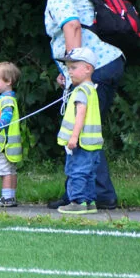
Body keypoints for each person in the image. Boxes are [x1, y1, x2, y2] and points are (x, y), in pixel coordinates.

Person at [34, 0, 124, 210]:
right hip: (103, 65)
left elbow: (72, 26)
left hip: (97, 69)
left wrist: (75, 70)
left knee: (83, 132)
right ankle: (92, 192)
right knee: (88, 132)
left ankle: (86, 195)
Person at [55, 48, 103, 214]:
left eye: (73, 68)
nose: (70, 72)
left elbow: (80, 114)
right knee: (89, 173)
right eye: (68, 68)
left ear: (88, 69)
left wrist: (73, 137)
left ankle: (77, 201)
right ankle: (89, 203)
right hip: (92, 143)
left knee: (77, 172)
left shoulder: (81, 91)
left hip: (80, 142)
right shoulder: (91, 89)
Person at [0, 61, 22, 207]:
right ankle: (11, 196)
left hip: (5, 145)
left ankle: (6, 197)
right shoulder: (9, 97)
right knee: (11, 170)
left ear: (8, 81)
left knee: (5, 172)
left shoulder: (6, 99)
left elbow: (7, 116)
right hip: (11, 145)